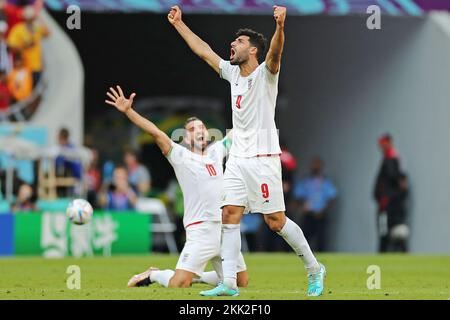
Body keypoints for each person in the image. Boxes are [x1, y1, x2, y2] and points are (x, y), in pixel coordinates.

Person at [168, 5, 325, 297]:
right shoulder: (232, 74)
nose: (232, 44)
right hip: (238, 159)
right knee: (229, 213)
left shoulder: (266, 74)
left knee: (275, 221)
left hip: (264, 159)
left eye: (239, 42)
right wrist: (179, 24)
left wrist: (279, 27)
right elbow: (203, 51)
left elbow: (276, 54)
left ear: (253, 51)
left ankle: (314, 269)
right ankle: (228, 283)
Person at [105, 85, 248, 289]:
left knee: (241, 282)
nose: (198, 131)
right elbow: (154, 132)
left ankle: (195, 277)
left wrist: (255, 100)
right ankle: (155, 274)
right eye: (191, 130)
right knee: (178, 285)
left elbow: (238, 130)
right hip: (201, 230)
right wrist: (129, 111)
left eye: (201, 127)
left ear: (207, 134)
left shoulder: (217, 152)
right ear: (185, 138)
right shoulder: (181, 157)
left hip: (225, 230)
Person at [373, 134, 409, 252]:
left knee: (386, 231)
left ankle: (385, 252)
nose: (381, 147)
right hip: (387, 203)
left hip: (388, 204)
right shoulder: (389, 158)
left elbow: (393, 177)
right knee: (385, 231)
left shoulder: (391, 159)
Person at [293, 157, 337, 252]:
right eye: (314, 165)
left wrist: (324, 209)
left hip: (320, 215)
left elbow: (332, 196)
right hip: (308, 214)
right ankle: (305, 256)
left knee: (321, 239)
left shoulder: (325, 182)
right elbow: (298, 195)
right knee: (305, 238)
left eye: (318, 165)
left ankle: (321, 258)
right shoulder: (305, 181)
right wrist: (303, 205)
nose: (315, 167)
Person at [7, 5, 49, 86]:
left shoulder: (37, 28)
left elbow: (48, 33)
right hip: (24, 68)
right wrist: (25, 46)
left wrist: (40, 18)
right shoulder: (18, 29)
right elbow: (10, 47)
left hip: (37, 67)